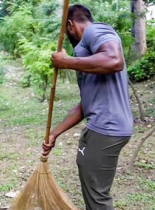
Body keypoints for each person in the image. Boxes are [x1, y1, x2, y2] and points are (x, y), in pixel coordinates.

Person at [44, 4, 133, 210]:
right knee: (95, 193)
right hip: (107, 127)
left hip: (105, 128)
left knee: (97, 199)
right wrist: (54, 134)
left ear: (70, 25)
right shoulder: (84, 54)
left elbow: (115, 60)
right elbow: (86, 103)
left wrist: (66, 62)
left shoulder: (96, 30)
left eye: (65, 31)